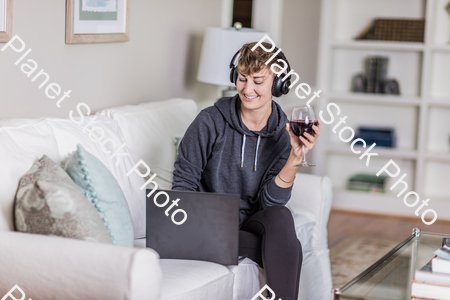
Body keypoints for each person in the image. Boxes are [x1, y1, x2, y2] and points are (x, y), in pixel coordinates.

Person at [172, 41, 321, 300]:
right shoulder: (209, 121)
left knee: (281, 217)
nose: (247, 89)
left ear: (278, 84)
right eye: (242, 79)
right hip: (208, 223)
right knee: (288, 248)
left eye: (258, 81)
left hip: (251, 224)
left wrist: (295, 158)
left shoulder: (284, 132)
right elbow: (183, 183)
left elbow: (269, 203)